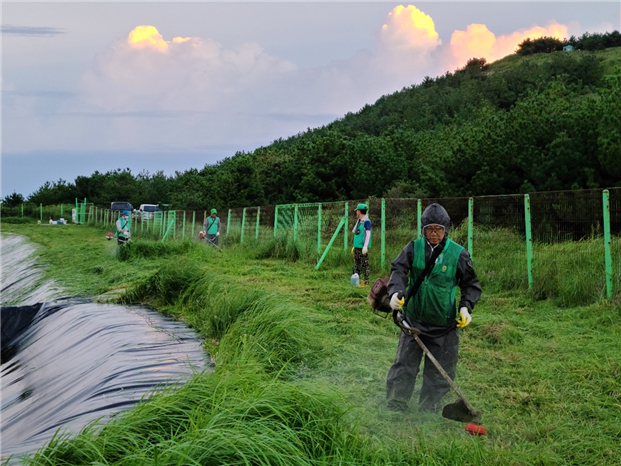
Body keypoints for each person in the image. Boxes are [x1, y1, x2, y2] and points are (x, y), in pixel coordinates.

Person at [385, 203, 481, 414]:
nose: (434, 234)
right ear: (423, 230)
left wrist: (465, 308)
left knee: (439, 372)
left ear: (446, 230)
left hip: (443, 326)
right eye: (430, 229)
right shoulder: (413, 247)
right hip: (413, 322)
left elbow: (471, 284)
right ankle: (395, 405)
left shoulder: (458, 254)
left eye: (439, 229)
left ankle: (428, 408)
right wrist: (394, 292)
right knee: (404, 366)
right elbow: (398, 270)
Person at [351, 203, 372, 287]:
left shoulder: (367, 221)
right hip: (357, 246)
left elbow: (368, 234)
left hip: (362, 247)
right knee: (357, 264)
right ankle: (357, 281)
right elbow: (357, 234)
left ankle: (366, 281)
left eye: (357, 211)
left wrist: (365, 246)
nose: (356, 212)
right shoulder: (359, 221)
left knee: (364, 264)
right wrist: (354, 245)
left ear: (359, 211)